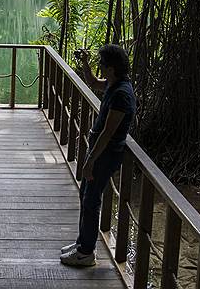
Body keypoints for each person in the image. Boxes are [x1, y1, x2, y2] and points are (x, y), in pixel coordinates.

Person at [60, 44, 136, 267]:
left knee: (91, 200)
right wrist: (84, 62)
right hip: (100, 152)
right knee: (86, 195)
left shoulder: (122, 94)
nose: (100, 67)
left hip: (105, 155)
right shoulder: (115, 84)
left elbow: (107, 133)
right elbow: (93, 83)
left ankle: (86, 252)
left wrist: (90, 161)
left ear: (111, 68)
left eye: (102, 64)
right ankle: (82, 243)